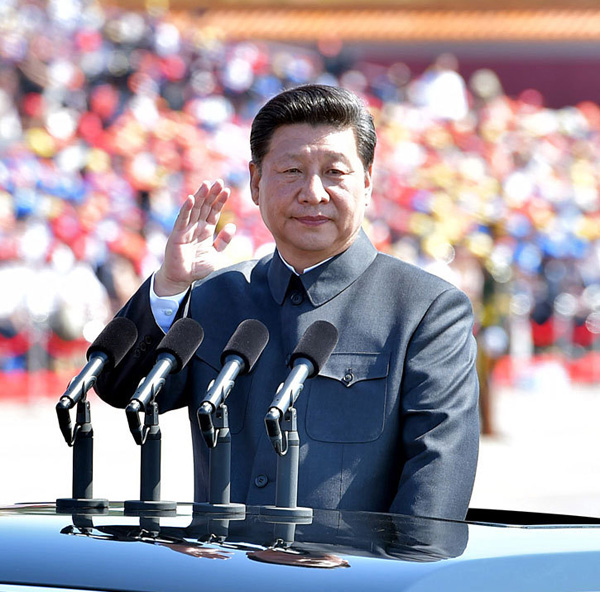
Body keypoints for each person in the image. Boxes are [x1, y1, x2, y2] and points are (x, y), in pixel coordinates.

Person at [96, 84, 479, 519]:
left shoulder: (425, 310)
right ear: (256, 182)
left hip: (347, 562)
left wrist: (389, 564)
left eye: (335, 172)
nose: (313, 192)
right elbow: (121, 389)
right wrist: (170, 284)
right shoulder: (216, 297)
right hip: (221, 560)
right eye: (292, 170)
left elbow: (437, 476)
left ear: (367, 182)